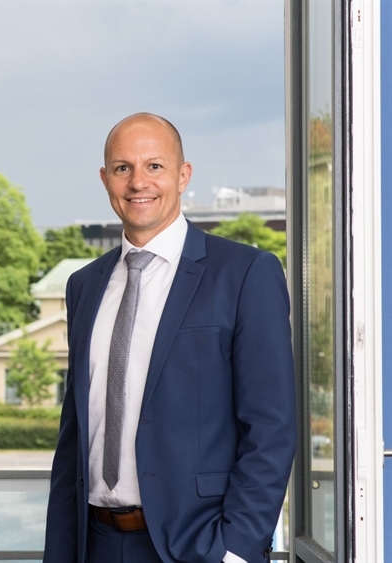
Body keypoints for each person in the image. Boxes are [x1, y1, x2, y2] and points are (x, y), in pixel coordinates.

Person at [44, 113, 296, 563]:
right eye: (123, 168)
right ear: (105, 179)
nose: (138, 181)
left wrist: (236, 549)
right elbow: (74, 434)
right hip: (96, 543)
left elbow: (272, 428)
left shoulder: (245, 274)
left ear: (184, 175)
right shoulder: (84, 285)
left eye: (155, 166)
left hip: (199, 546)